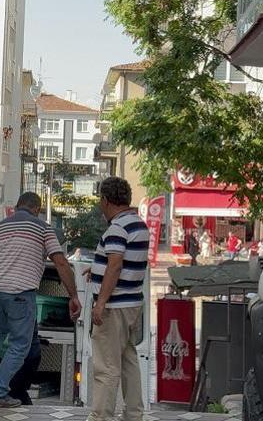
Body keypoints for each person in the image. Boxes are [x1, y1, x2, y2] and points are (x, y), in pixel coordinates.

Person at [0, 192, 81, 408]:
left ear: (16, 206)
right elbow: (60, 263)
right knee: (20, 344)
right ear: (36, 209)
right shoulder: (43, 228)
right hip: (21, 293)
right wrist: (73, 295)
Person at [87, 177, 150, 421]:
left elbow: (114, 266)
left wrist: (100, 303)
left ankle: (101, 416)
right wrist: (96, 269)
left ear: (105, 200)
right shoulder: (139, 224)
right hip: (133, 303)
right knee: (128, 361)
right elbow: (123, 264)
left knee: (106, 366)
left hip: (114, 306)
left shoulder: (116, 227)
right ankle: (134, 414)